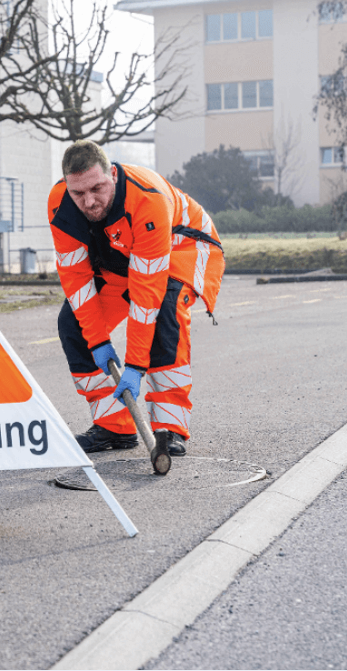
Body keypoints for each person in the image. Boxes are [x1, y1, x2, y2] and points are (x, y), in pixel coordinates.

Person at [48, 141, 225, 457]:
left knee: (164, 313)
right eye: (78, 193)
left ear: (113, 175)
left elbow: (146, 297)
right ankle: (114, 426)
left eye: (97, 188)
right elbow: (77, 281)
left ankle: (169, 427)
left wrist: (135, 366)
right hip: (121, 260)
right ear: (67, 186)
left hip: (182, 248)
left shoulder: (146, 199)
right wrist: (97, 341)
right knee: (73, 324)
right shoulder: (59, 204)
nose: (89, 201)